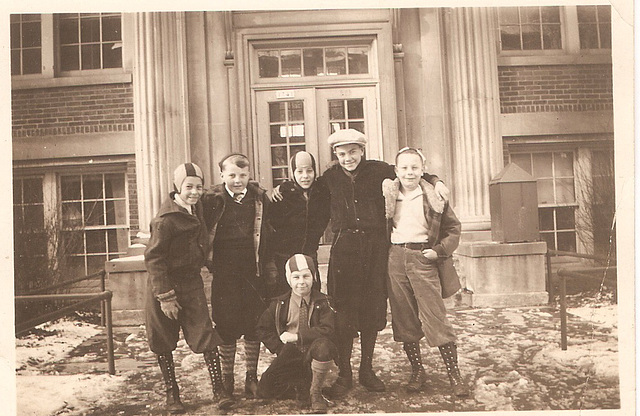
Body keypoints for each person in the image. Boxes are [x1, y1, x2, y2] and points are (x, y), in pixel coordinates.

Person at [319, 129, 450, 398]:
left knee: (371, 312)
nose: (348, 158)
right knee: (343, 314)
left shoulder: (380, 171)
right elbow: (306, 192)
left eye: (353, 152)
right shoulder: (329, 177)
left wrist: (436, 180)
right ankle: (344, 373)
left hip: (375, 251)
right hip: (344, 252)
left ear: (362, 151)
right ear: (336, 155)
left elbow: (412, 172)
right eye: (342, 154)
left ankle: (366, 370)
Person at [144, 162, 234, 414]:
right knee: (163, 339)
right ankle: (173, 395)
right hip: (164, 285)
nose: (194, 192)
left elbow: (219, 192)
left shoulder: (198, 207)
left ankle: (219, 391)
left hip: (191, 282)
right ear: (177, 187)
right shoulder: (165, 219)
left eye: (198, 187)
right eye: (189, 187)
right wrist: (165, 297)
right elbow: (154, 258)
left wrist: (256, 188)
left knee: (204, 332)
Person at [382, 147, 469, 397]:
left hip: (423, 258)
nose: (410, 172)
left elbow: (453, 228)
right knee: (404, 318)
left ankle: (454, 375)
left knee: (435, 317)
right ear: (396, 171)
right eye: (404, 168)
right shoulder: (388, 194)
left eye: (415, 167)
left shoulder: (433, 195)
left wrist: (439, 250)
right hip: (395, 259)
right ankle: (417, 371)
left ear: (423, 169)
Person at [201, 153, 275, 399]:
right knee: (226, 325)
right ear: (222, 175)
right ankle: (227, 379)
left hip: (252, 271)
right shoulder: (212, 201)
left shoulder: (259, 198)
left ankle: (251, 377)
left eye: (243, 175)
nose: (237, 180)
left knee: (254, 324)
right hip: (225, 273)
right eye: (231, 175)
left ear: (249, 175)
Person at [256, 253, 337, 414]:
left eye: (306, 276)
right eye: (296, 277)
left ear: (313, 277)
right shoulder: (279, 303)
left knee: (323, 346)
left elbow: (327, 329)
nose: (301, 282)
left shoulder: (323, 301)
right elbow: (262, 328)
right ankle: (300, 384)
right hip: (290, 352)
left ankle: (315, 393)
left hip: (313, 351)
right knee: (264, 390)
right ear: (288, 279)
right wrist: (279, 348)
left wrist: (298, 337)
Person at [268, 151, 330, 297]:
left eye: (309, 171)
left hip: (309, 255)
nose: (305, 176)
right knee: (286, 296)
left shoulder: (321, 192)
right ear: (292, 173)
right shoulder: (283, 194)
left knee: (312, 295)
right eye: (299, 171)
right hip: (285, 257)